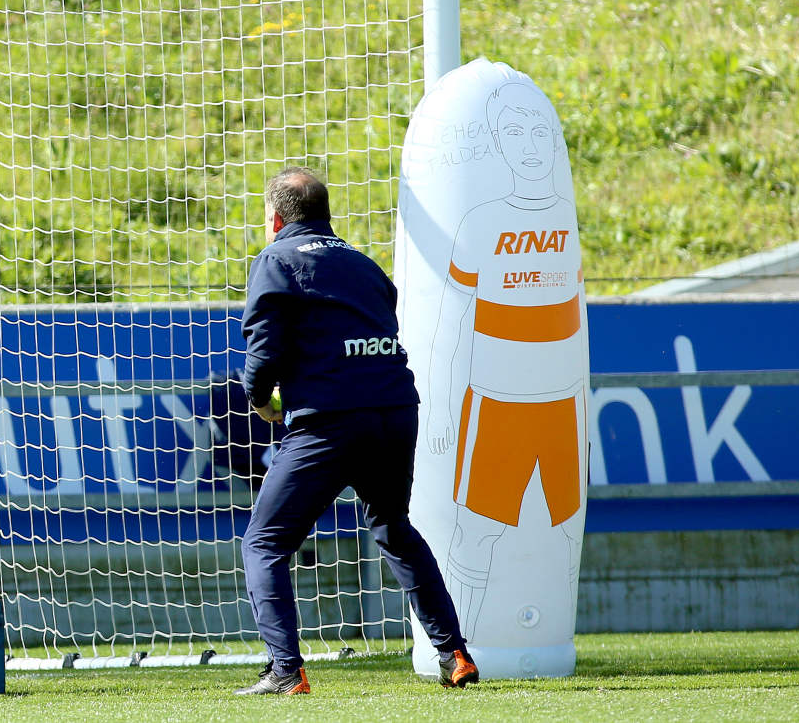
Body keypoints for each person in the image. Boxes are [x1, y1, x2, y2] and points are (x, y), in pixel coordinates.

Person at [235, 166, 477, 695]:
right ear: (326, 215)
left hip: (330, 421)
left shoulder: (275, 259)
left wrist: (260, 399)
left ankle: (284, 670)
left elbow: (265, 348)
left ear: (275, 218)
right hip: (395, 411)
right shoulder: (363, 264)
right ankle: (454, 653)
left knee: (264, 543)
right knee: (394, 527)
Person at [424, 81, 586, 640]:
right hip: (498, 407)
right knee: (476, 535)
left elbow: (576, 317)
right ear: (499, 143)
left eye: (540, 131)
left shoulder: (565, 218)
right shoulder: (482, 221)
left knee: (565, 534)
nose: (531, 144)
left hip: (562, 406)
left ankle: (549, 641)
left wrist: (584, 412)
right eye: (515, 133)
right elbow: (450, 327)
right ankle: (460, 650)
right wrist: (442, 411)